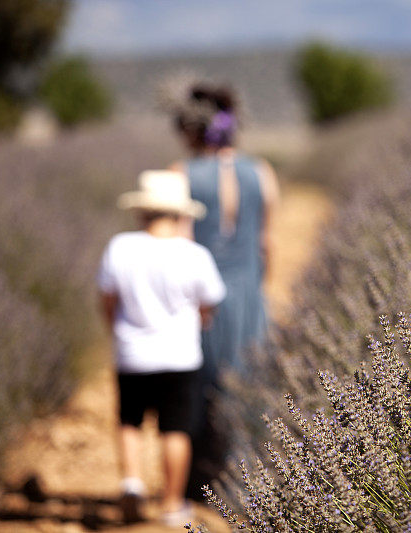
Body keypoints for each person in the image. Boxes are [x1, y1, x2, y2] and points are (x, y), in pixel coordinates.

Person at [166, 81, 279, 500]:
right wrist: (254, 287)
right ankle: (243, 478)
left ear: (191, 129)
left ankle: (198, 481)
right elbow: (267, 243)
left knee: (199, 382)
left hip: (201, 299)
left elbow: (180, 244)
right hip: (250, 293)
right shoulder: (261, 171)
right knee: (247, 380)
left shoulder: (182, 174)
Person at [97, 170, 226, 526]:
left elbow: (107, 299)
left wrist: (116, 330)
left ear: (142, 211)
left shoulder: (120, 247)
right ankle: (171, 504)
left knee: (130, 421)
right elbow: (209, 303)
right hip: (179, 356)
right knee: (176, 429)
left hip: (132, 353)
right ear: (182, 214)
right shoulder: (194, 255)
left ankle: (132, 482)